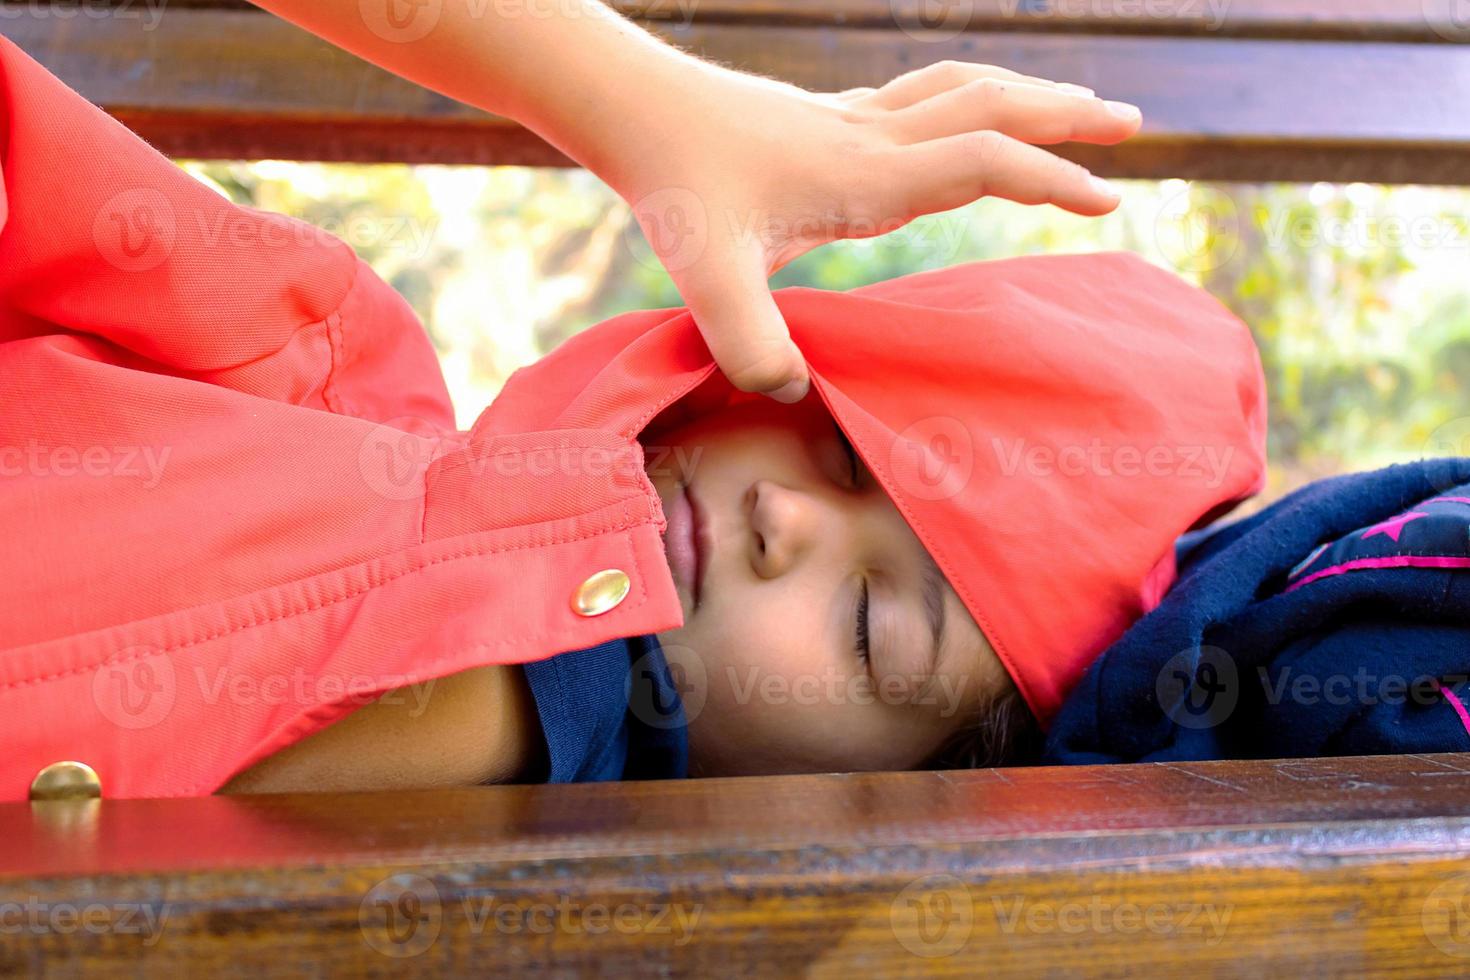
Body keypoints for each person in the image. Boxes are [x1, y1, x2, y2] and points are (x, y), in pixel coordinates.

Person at [0, 13, 1263, 801]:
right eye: (837, 440)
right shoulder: (313, 351)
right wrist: (629, 98)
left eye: (876, 625)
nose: (784, 518)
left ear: (880, 794)